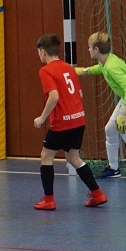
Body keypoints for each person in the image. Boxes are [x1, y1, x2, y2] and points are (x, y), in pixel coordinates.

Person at [32, 34, 108, 210]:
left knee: (46, 156)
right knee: (73, 157)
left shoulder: (45, 71)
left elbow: (54, 96)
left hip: (62, 122)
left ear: (42, 52)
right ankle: (97, 194)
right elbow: (79, 94)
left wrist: (42, 118)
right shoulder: (69, 68)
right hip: (79, 119)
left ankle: (48, 200)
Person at [76, 31, 126, 183]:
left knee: (125, 130)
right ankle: (114, 169)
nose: (88, 49)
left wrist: (123, 113)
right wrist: (80, 71)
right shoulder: (106, 61)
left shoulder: (112, 66)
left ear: (96, 49)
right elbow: (98, 69)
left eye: (89, 47)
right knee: (110, 130)